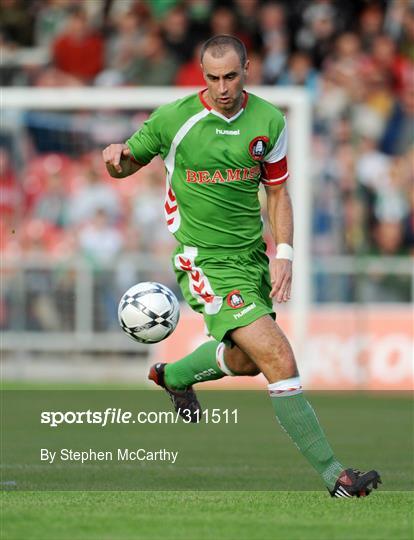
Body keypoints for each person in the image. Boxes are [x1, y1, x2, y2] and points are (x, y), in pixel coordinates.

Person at [103, 34, 381, 498]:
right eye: (212, 78)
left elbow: (276, 194)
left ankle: (171, 376)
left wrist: (284, 254)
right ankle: (337, 477)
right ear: (201, 75)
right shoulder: (175, 119)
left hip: (250, 259)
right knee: (278, 355)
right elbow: (126, 164)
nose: (222, 87)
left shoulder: (269, 120)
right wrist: (114, 159)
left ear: (247, 69)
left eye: (230, 76)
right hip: (203, 260)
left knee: (248, 361)